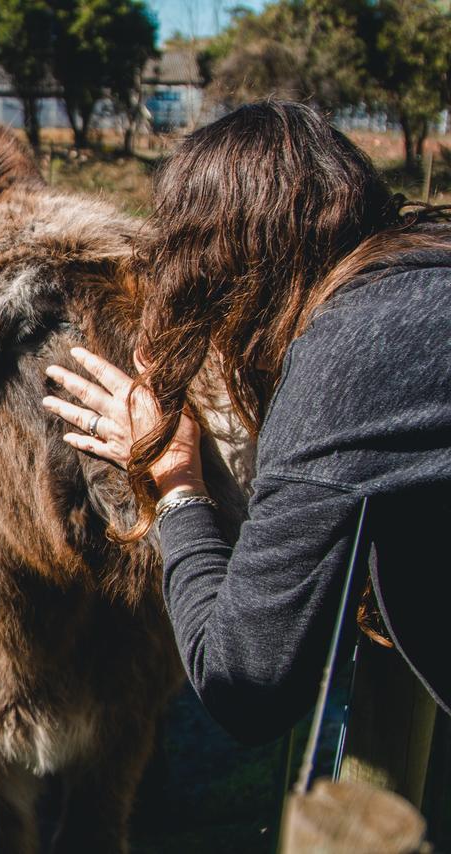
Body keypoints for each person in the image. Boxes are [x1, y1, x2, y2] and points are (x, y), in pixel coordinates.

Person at [39, 101, 451, 745]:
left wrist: (175, 483)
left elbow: (243, 681)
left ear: (225, 274)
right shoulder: (425, 273)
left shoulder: (347, 360)